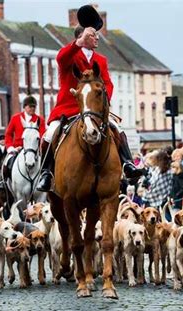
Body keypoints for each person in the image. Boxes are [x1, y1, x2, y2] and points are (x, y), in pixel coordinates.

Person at [36, 10, 144, 192]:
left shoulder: (101, 60)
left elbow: (108, 83)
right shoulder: (69, 56)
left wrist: (102, 101)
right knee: (49, 134)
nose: (97, 38)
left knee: (118, 129)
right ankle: (46, 172)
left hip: (95, 110)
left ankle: (127, 164)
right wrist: (78, 43)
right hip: (68, 108)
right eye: (93, 35)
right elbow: (61, 57)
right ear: (81, 36)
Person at [2, 95, 45, 179]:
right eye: (30, 106)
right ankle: (3, 182)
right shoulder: (15, 118)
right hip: (17, 148)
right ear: (24, 107)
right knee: (7, 163)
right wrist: (10, 148)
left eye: (34, 107)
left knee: (46, 164)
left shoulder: (40, 120)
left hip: (34, 150)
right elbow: (8, 134)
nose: (32, 108)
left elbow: (42, 135)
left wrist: (40, 148)